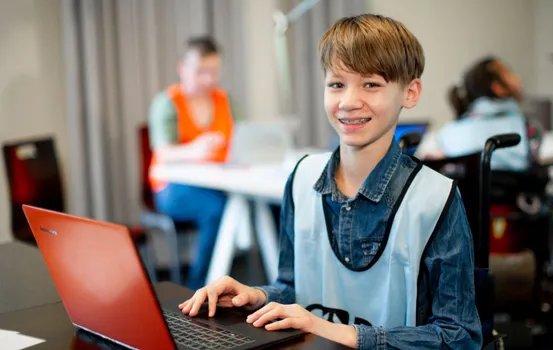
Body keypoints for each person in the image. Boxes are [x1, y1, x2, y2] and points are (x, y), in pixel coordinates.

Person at [178, 14, 482, 349]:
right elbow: (296, 287)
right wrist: (256, 296)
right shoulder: (302, 179)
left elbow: (460, 338)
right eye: (337, 84)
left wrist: (337, 331)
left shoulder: (436, 200)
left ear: (410, 93)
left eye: (371, 84)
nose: (349, 101)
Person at [148, 35, 234, 291]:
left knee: (267, 204)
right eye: (201, 71)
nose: (208, 79)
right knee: (217, 209)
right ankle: (199, 287)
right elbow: (163, 152)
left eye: (214, 71)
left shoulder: (223, 100)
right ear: (182, 69)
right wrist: (195, 150)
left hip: (216, 180)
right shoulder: (167, 102)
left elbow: (240, 138)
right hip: (172, 188)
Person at [430, 57, 530, 171]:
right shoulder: (517, 125)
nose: (517, 77)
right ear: (497, 87)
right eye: (509, 73)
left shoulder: (447, 132)